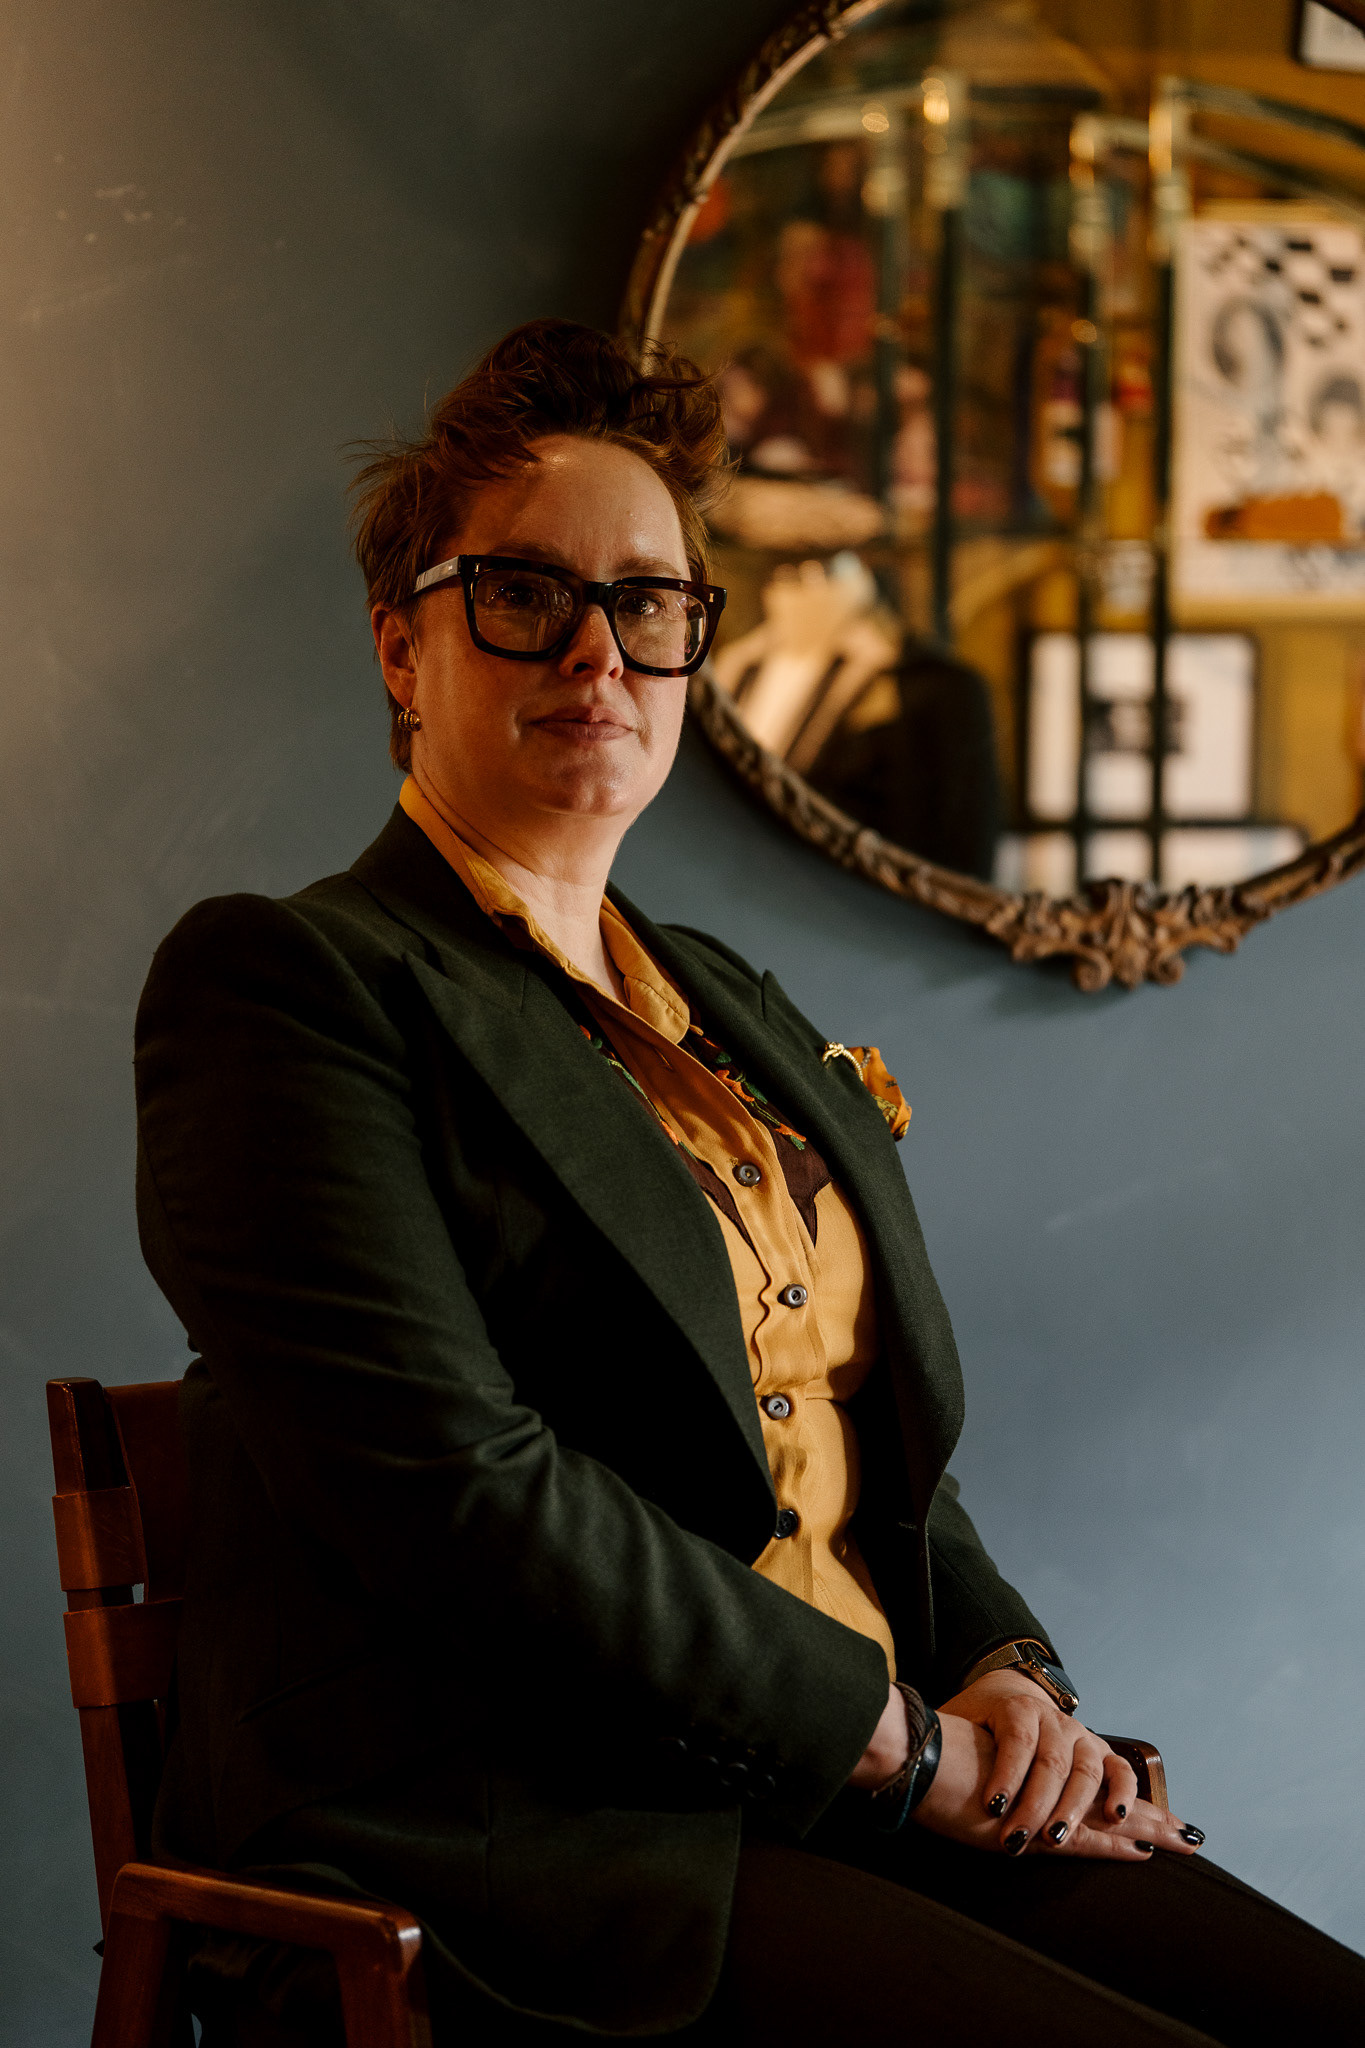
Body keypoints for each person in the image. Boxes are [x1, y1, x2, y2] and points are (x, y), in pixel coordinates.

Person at [135, 320, 1364, 2046]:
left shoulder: (722, 1003)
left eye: (649, 604)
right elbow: (458, 1498)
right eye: (523, 595)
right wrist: (904, 1747)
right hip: (515, 1818)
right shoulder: (291, 985)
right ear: (402, 646)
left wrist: (1009, 1680)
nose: (598, 651)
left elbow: (870, 1442)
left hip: (832, 1776)